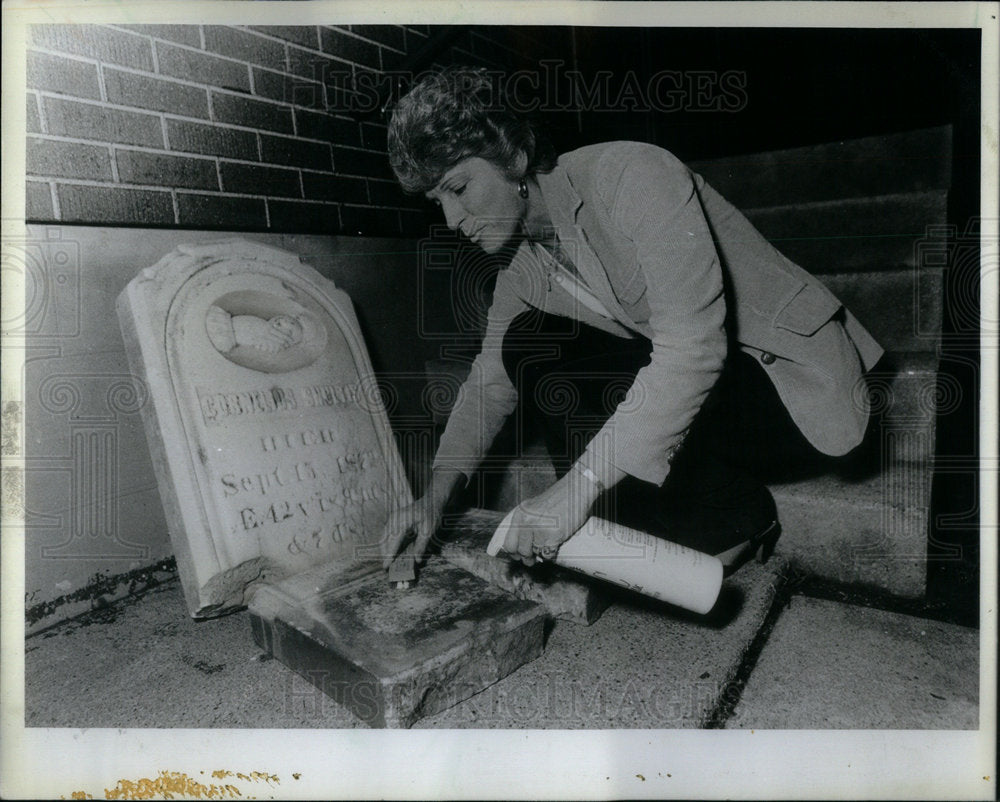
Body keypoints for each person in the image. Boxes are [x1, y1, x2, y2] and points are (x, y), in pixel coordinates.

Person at [381, 66, 883, 575]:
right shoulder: (520, 266)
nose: (451, 219)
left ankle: (732, 515)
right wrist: (436, 496)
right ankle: (647, 519)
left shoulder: (631, 175)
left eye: (458, 187)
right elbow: (490, 382)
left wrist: (577, 488)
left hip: (786, 393)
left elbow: (693, 349)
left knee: (613, 370)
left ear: (511, 155)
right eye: (436, 201)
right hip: (710, 412)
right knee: (525, 342)